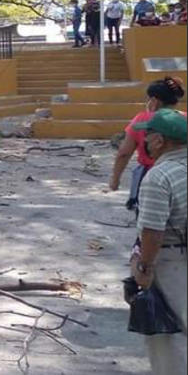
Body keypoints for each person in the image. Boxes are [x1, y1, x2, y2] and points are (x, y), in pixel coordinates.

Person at [127, 109, 187, 375]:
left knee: (166, 335)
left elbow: (152, 231)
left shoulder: (158, 177)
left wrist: (144, 268)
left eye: (149, 136)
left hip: (170, 261)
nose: (145, 141)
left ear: (161, 141)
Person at [109, 77, 185, 210]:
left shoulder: (142, 119)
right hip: (181, 175)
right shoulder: (184, 119)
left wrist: (115, 179)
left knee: (149, 217)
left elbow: (124, 153)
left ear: (154, 101)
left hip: (150, 176)